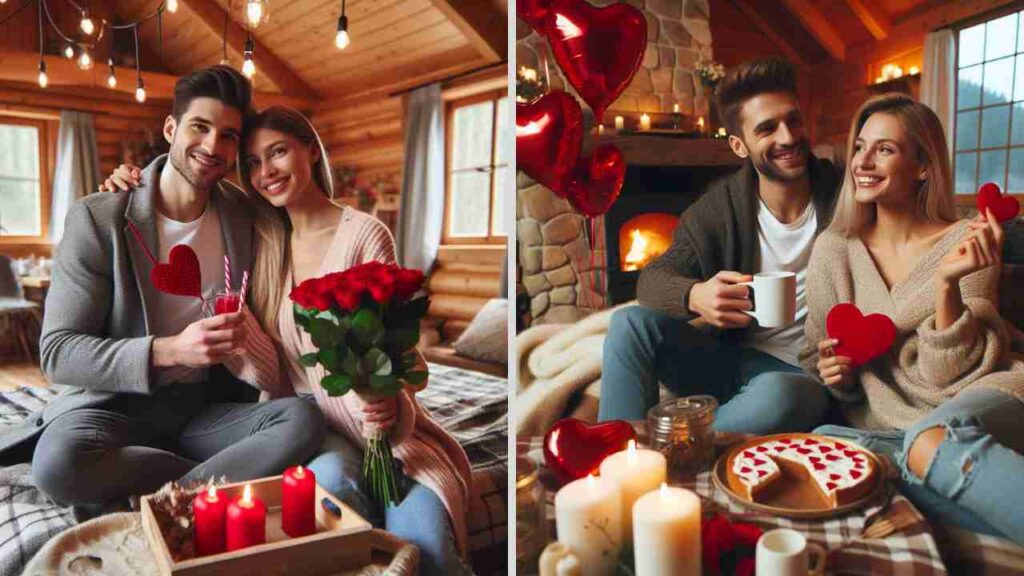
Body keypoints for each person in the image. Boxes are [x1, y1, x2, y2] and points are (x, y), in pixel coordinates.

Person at [102, 106, 473, 576]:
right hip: (317, 433)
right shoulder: (263, 241)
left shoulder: (363, 234)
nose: (266, 172)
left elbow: (397, 348)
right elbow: (276, 373)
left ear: (311, 151)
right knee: (332, 494)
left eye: (278, 152)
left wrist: (390, 403)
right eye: (253, 163)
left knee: (431, 552)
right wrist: (133, 185)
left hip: (388, 437)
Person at [9, 66, 325, 516]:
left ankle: (170, 495)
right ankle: (210, 480)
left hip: (203, 411)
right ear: (171, 128)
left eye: (229, 136)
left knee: (302, 419)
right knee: (58, 467)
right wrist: (170, 351)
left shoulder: (245, 214)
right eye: (200, 127)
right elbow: (59, 353)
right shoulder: (100, 218)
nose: (213, 146)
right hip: (113, 407)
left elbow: (309, 221)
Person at [803, 93, 1024, 543]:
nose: (863, 162)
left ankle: (911, 461)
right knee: (825, 440)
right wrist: (836, 373)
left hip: (986, 391)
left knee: (928, 437)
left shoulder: (968, 239)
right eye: (860, 147)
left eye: (884, 149)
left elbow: (950, 376)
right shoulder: (833, 250)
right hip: (892, 425)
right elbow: (819, 361)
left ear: (923, 166)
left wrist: (946, 285)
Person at [599, 58, 833, 432]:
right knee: (629, 322)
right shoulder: (719, 208)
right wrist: (696, 296)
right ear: (739, 146)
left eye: (794, 120)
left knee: (783, 394)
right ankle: (612, 451)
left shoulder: (841, 195)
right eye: (768, 128)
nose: (788, 137)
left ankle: (668, 449)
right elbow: (651, 281)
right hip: (728, 360)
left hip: (799, 375)